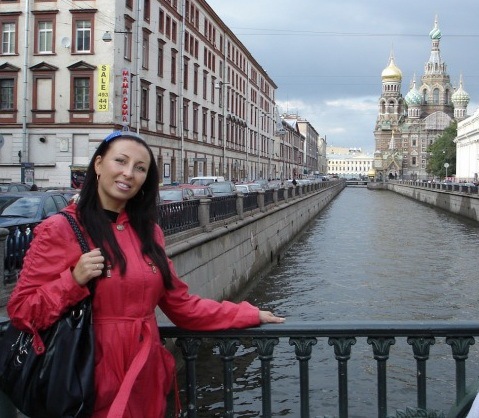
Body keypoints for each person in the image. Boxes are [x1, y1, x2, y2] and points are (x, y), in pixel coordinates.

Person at [7, 130, 285, 418]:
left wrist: (247, 314)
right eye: (121, 161)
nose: (129, 173)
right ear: (98, 164)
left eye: (140, 168)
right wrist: (73, 280)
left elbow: (182, 306)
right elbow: (22, 311)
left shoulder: (149, 232)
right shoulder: (60, 229)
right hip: (87, 382)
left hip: (145, 379)